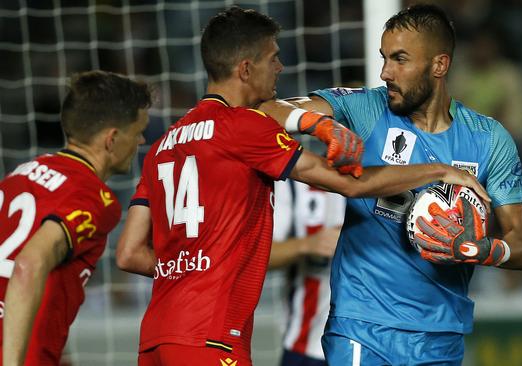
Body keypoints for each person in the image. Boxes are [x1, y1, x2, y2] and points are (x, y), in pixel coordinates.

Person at [115, 7, 489, 366]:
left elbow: (129, 253)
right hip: (211, 335)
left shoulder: (166, 143)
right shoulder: (243, 126)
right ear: (246, 69)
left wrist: (189, 269)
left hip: (156, 336)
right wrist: (439, 171)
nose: (280, 66)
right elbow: (353, 185)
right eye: (272, 58)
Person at [259, 4, 522, 365]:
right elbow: (265, 112)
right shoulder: (366, 109)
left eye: (400, 59)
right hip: (362, 324)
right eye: (384, 58)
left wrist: (480, 250)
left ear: (439, 65)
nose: (386, 72)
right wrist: (317, 124)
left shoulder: (488, 140)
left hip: (441, 333)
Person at [0, 70, 151, 366]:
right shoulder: (93, 197)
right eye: (137, 131)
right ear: (112, 139)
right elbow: (29, 264)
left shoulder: (19, 175)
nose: (142, 140)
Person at [269, 179, 345, 366]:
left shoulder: (384, 176)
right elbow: (260, 254)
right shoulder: (289, 183)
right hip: (307, 345)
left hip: (373, 343)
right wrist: (308, 244)